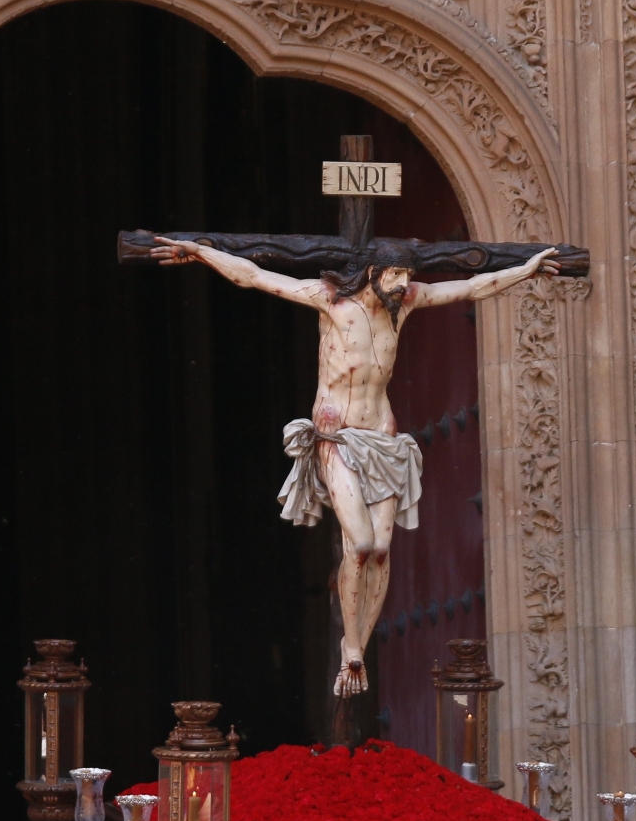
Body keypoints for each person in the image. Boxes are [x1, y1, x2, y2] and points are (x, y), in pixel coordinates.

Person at [152, 234, 560, 696]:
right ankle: (350, 641)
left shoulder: (407, 302)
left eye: (408, 275)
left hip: (383, 440)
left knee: (382, 548)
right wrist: (201, 252)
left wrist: (526, 269)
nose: (404, 283)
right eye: (396, 275)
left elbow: (470, 287)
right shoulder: (331, 301)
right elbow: (256, 277)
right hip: (337, 438)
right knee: (361, 543)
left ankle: (356, 652)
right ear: (373, 272)